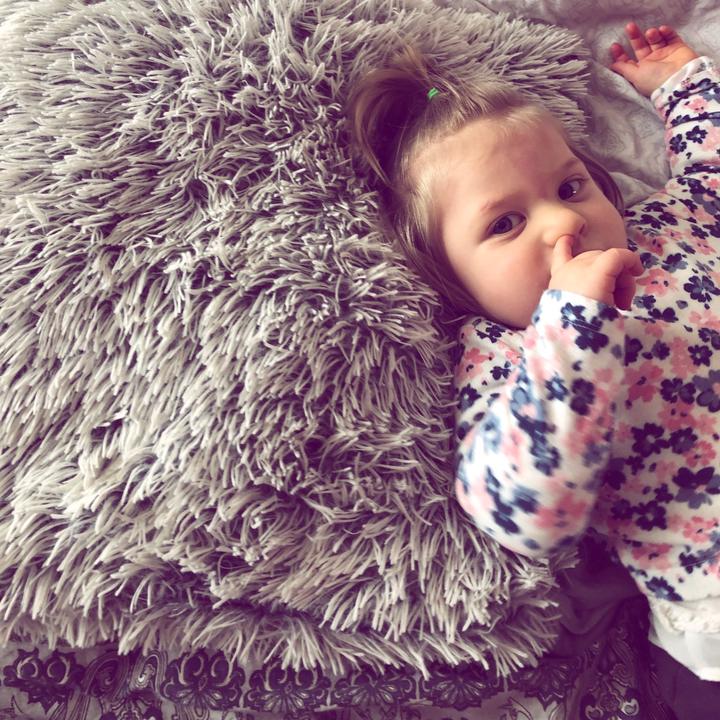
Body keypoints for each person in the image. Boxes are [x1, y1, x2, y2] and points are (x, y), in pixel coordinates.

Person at [347, 19, 720, 719]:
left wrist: (682, 83)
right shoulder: (510, 355)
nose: (562, 224)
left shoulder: (668, 229)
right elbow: (524, 512)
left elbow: (710, 177)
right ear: (451, 278)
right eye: (505, 224)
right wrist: (574, 329)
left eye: (571, 187)